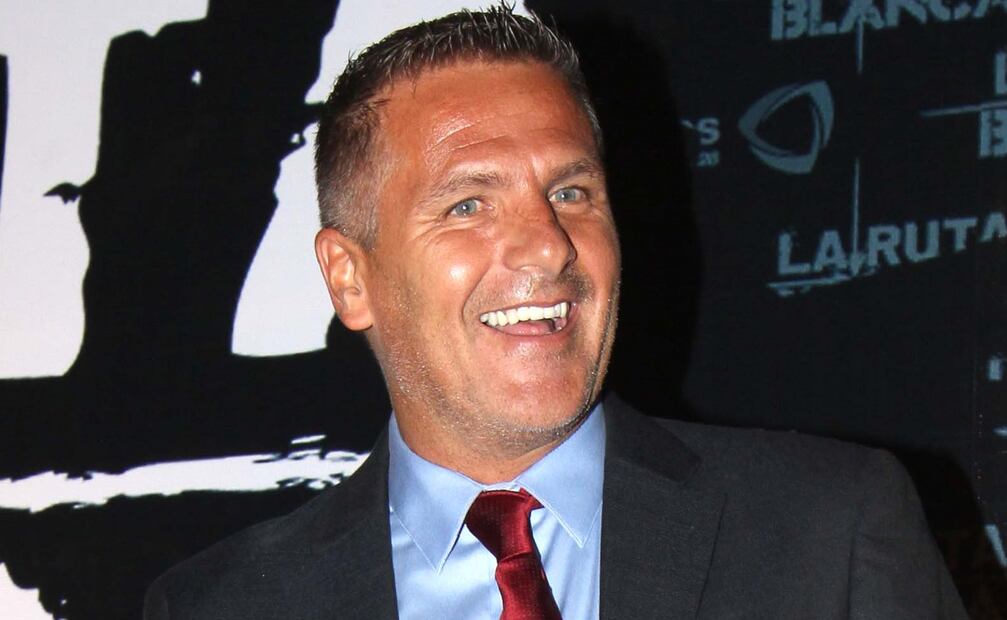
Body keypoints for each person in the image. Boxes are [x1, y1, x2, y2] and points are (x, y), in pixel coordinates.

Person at [144, 6, 967, 619]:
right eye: (468, 205)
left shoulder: (829, 530)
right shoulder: (221, 605)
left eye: (570, 192)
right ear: (349, 278)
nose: (547, 245)